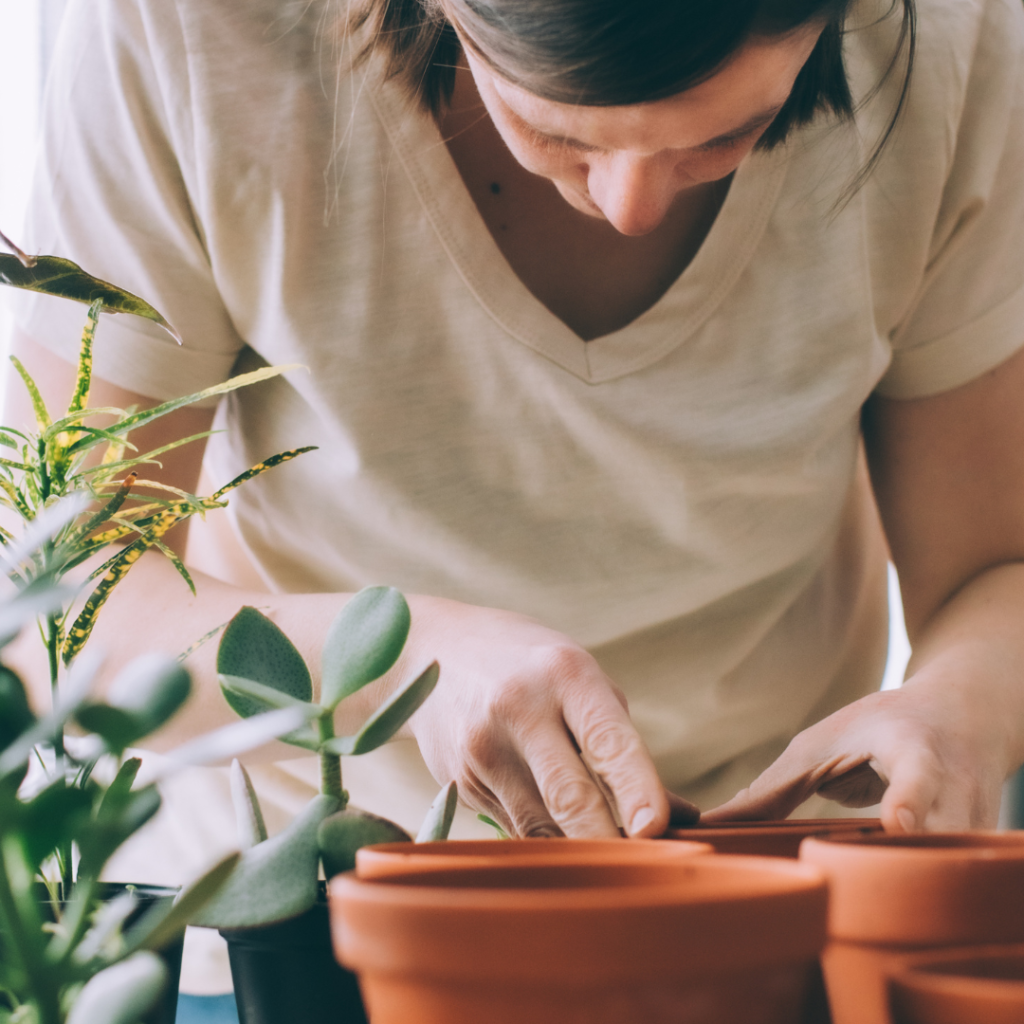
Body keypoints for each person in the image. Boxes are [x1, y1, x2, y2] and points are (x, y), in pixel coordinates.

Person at [6, 0, 1024, 853]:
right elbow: (49, 604)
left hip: (752, 901)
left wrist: (963, 705)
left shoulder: (954, 40)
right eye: (557, 133)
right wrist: (394, 661)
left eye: (725, 134)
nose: (628, 206)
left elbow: (995, 571)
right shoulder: (188, 33)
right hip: (290, 907)